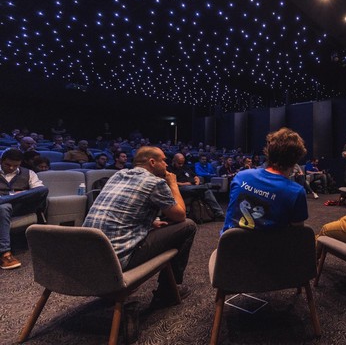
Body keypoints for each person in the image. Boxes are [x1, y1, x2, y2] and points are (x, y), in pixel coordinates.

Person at [83, 146, 197, 306]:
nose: (166, 164)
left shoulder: (118, 175)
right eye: (163, 160)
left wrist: (150, 221)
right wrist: (173, 185)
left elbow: (121, 207)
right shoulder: (155, 182)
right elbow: (180, 215)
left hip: (86, 256)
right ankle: (167, 293)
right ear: (152, 162)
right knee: (188, 226)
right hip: (115, 261)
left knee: (164, 225)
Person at [221, 127, 308, 234]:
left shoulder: (241, 176)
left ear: (268, 151)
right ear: (296, 159)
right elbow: (297, 234)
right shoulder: (296, 192)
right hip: (270, 245)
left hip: (229, 244)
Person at [0, 149, 49, 270]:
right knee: (4, 207)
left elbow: (39, 190)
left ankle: (4, 199)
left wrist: (14, 196)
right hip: (3, 209)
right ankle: (5, 253)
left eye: (15, 165)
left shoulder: (29, 173)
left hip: (21, 206)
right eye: (7, 164)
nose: (11, 168)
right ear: (1, 161)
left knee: (43, 189)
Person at [168, 153, 225, 220]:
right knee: (194, 188)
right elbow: (171, 182)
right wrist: (185, 184)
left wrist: (197, 180)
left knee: (207, 191)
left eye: (182, 163)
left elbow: (195, 176)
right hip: (181, 188)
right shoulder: (169, 169)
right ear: (174, 160)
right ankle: (208, 185)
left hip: (194, 186)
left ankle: (219, 213)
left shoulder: (185, 167)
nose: (181, 165)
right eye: (179, 163)